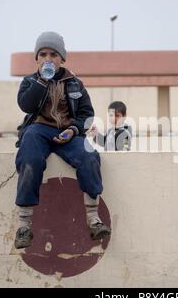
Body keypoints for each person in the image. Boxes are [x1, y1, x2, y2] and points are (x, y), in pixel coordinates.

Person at [14, 31, 111, 249]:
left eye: (54, 54)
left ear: (62, 58)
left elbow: (87, 114)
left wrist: (74, 130)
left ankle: (93, 219)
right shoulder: (30, 81)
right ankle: (24, 225)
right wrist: (41, 81)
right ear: (37, 59)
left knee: (89, 156)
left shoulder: (75, 83)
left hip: (68, 133)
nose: (48, 59)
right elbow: (26, 105)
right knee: (29, 157)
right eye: (43, 54)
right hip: (38, 130)